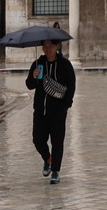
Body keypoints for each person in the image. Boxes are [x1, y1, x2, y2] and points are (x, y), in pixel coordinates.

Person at [24, 38, 76, 183]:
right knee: (38, 139)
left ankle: (55, 171)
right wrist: (33, 77)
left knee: (57, 141)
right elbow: (29, 85)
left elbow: (71, 85)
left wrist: (66, 105)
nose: (47, 49)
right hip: (41, 110)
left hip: (58, 111)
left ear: (57, 46)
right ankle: (48, 158)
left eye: (50, 46)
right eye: (45, 46)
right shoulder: (37, 64)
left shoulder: (65, 65)